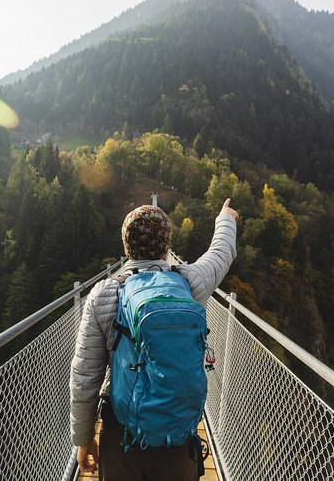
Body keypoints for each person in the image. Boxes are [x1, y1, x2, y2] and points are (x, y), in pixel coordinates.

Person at [70, 198, 238, 480]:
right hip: (178, 437)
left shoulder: (105, 294)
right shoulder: (191, 282)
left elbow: (85, 376)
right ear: (166, 244)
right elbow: (221, 253)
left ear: (126, 246)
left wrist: (83, 439)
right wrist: (226, 219)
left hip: (123, 435)